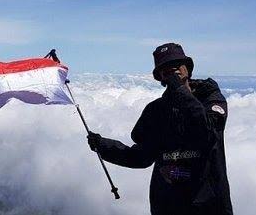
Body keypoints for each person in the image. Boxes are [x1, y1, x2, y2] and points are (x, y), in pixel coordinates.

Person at [87, 43, 233, 215]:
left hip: (209, 207)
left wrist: (179, 90)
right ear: (160, 77)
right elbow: (141, 157)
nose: (173, 70)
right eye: (166, 68)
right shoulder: (155, 111)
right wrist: (104, 146)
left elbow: (207, 132)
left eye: (177, 64)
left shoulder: (211, 100)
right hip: (168, 206)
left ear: (188, 68)